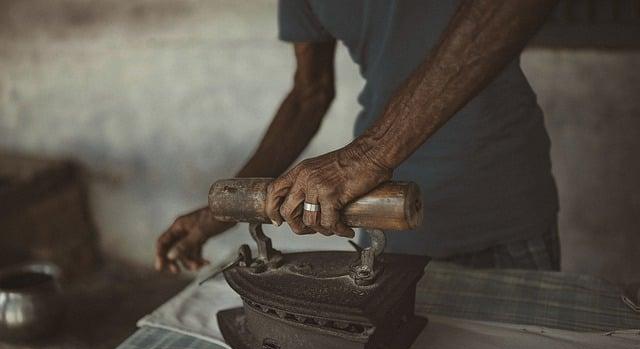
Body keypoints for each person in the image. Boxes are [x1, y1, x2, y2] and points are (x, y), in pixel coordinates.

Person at [155, 0, 561, 274]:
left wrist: (366, 157)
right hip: (377, 212)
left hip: (499, 201)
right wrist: (219, 214)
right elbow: (308, 95)